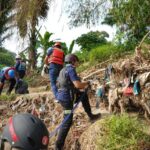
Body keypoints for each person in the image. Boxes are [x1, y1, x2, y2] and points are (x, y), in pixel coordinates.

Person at [55, 54, 101, 150]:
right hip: (67, 99)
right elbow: (77, 85)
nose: (77, 63)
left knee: (83, 96)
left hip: (62, 96)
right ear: (73, 61)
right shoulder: (71, 69)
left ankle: (91, 116)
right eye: (76, 61)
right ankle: (58, 146)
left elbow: (66, 84)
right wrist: (87, 83)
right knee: (67, 121)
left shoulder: (63, 70)